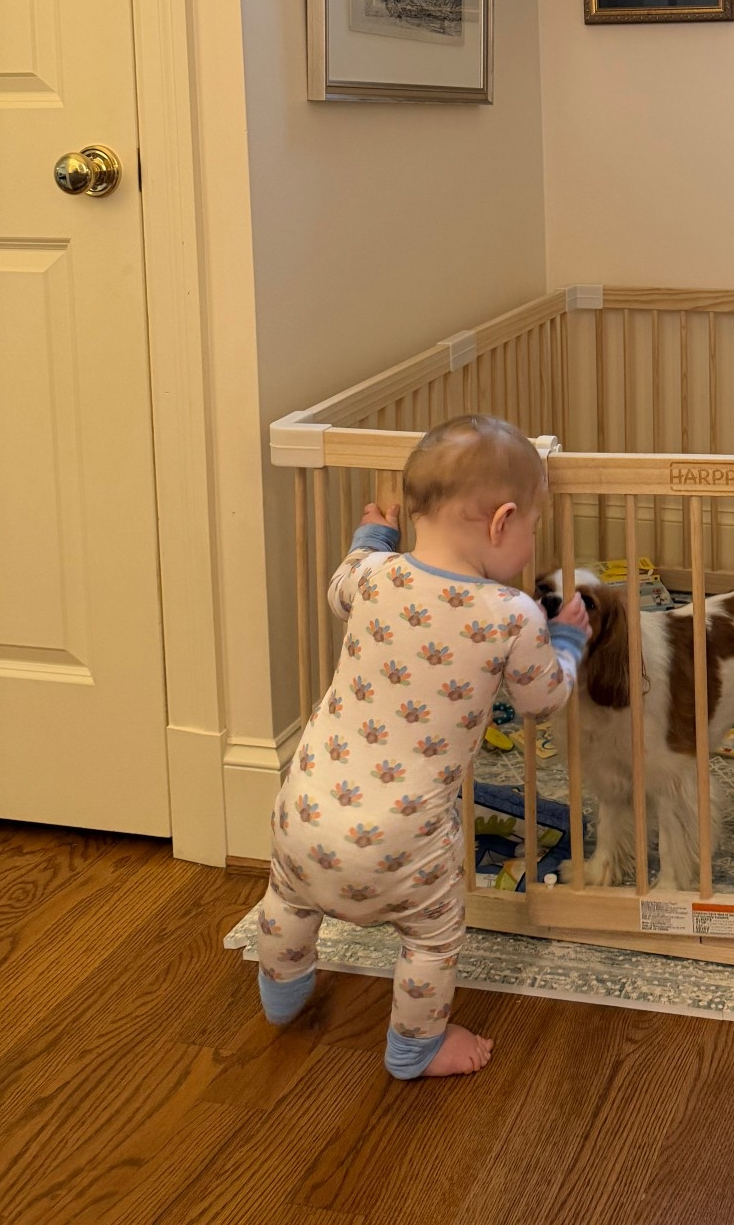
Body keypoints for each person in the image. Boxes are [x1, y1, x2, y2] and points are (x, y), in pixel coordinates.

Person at [253, 416, 588, 1079]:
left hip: (304, 809)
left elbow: (340, 584)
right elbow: (543, 700)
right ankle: (417, 1047)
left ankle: (281, 994)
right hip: (402, 840)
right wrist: (569, 642)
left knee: (288, 900)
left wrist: (372, 537)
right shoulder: (511, 615)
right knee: (430, 943)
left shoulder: (375, 575)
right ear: (502, 523)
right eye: (531, 528)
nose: (528, 544)